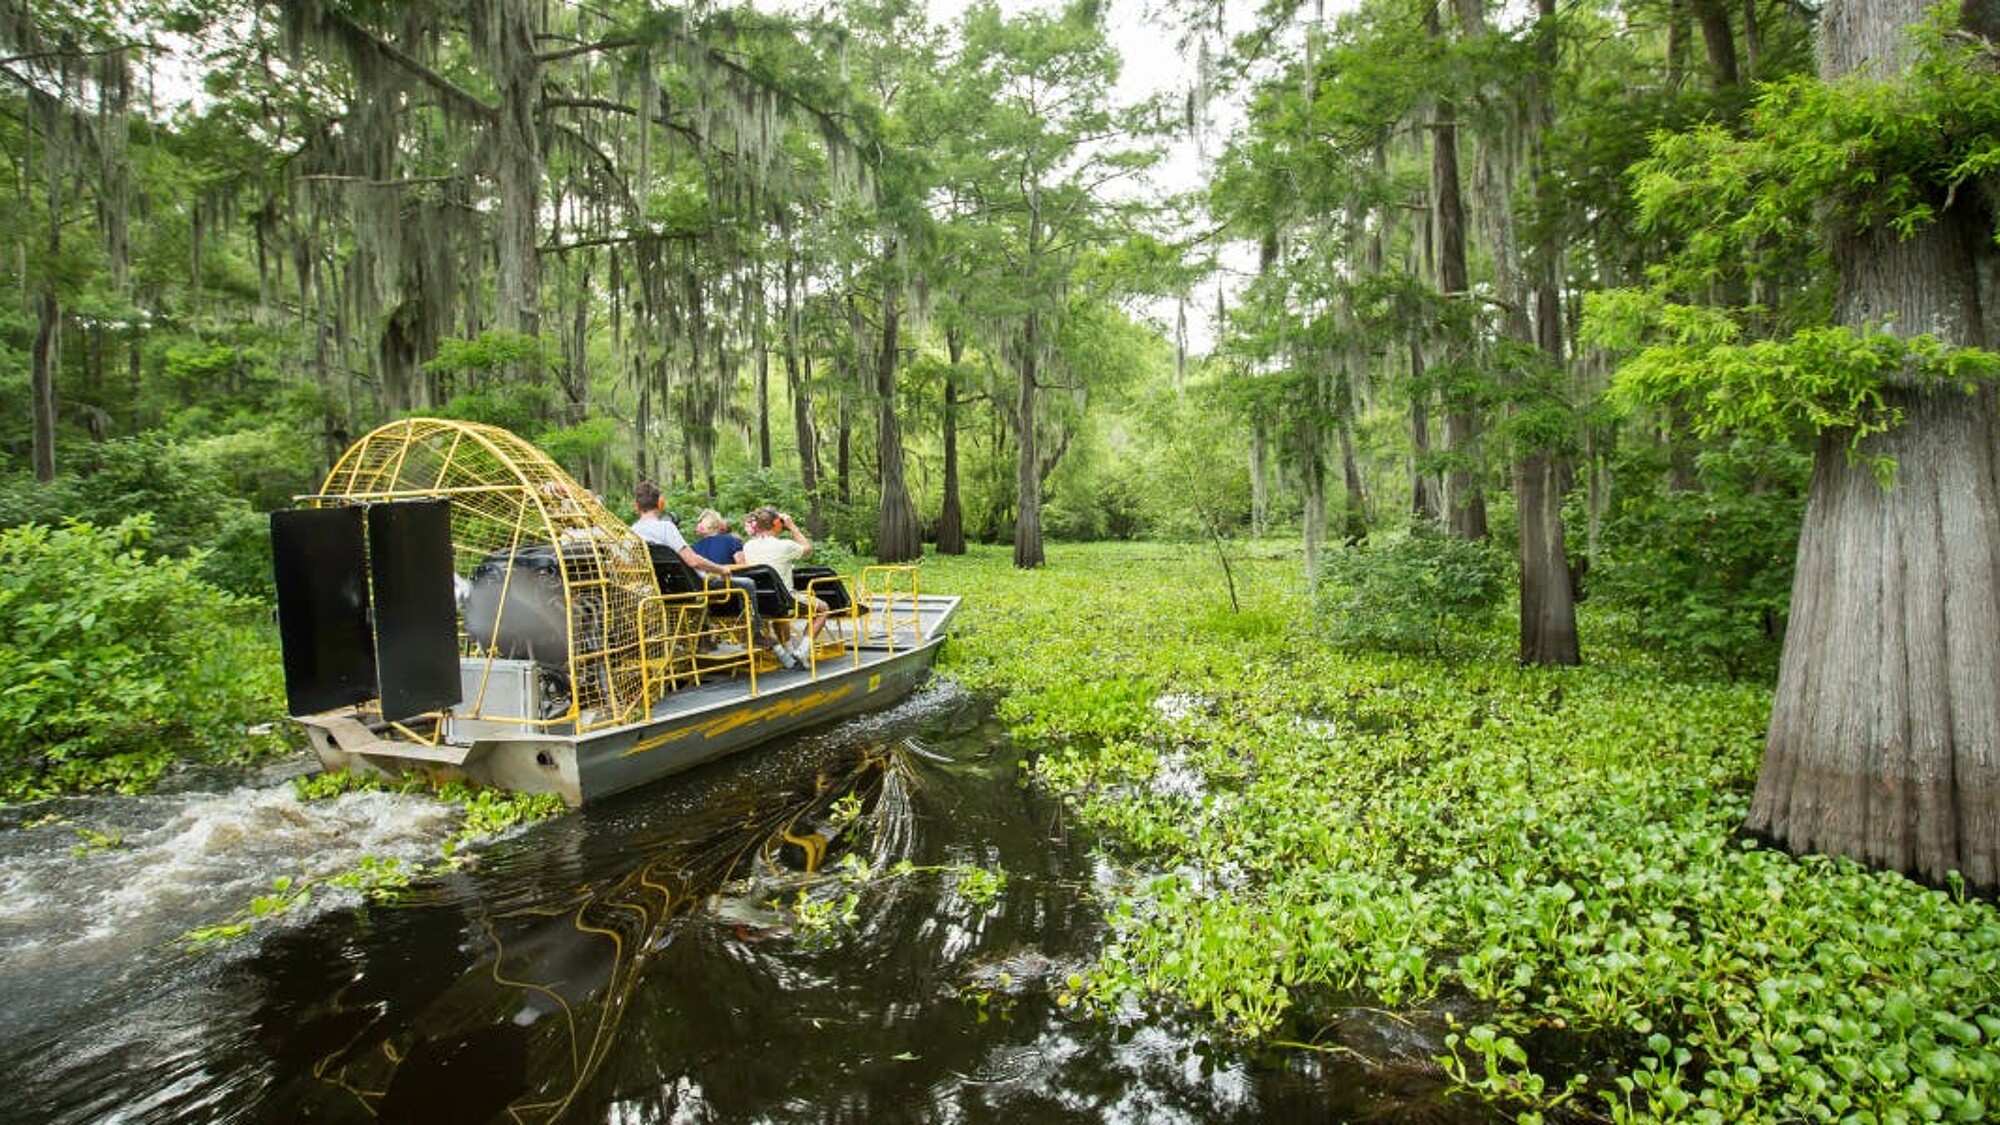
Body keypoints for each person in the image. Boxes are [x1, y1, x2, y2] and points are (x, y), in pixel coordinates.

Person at [633, 481, 762, 644]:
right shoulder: (666, 527)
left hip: (660, 589)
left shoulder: (633, 531)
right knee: (748, 584)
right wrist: (721, 569)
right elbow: (693, 561)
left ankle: (705, 639)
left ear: (636, 506)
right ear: (660, 503)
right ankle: (756, 635)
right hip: (693, 587)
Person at [742, 505, 827, 663]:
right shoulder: (785, 545)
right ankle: (803, 650)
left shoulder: (748, 546)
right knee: (822, 609)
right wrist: (792, 527)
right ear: (776, 523)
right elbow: (808, 550)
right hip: (785, 599)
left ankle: (789, 652)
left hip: (761, 600)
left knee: (779, 615)